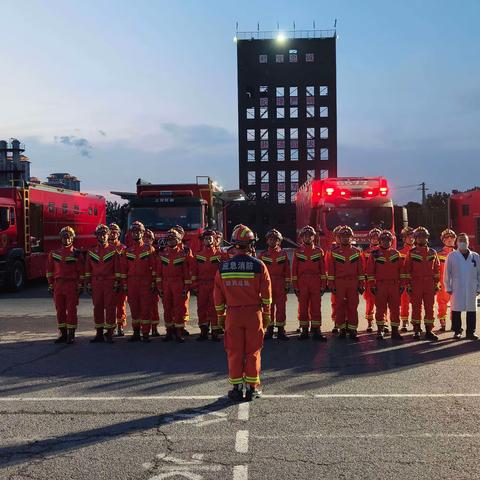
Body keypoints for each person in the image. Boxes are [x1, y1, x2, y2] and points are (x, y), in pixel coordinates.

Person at [214, 224, 271, 401]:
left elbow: (218, 295)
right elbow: (267, 294)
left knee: (234, 350)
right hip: (253, 313)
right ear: (250, 244)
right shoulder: (259, 265)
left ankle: (237, 388)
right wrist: (267, 314)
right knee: (253, 351)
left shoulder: (223, 267)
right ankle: (252, 388)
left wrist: (220, 315)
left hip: (232, 314)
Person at [46, 226, 84, 344]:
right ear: (61, 238)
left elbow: (81, 272)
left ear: (72, 238)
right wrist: (51, 285)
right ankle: (63, 333)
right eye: (64, 237)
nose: (66, 239)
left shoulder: (76, 254)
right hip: (58, 285)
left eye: (68, 237)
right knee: (60, 310)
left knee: (71, 310)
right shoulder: (54, 253)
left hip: (71, 285)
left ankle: (71, 334)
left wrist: (80, 285)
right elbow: (49, 271)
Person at [327, 226, 365, 341]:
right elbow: (331, 271)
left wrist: (361, 284)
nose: (345, 239)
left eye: (347, 237)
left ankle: (353, 330)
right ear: (339, 238)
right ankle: (342, 330)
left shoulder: (357, 252)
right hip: (339, 283)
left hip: (353, 283)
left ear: (351, 237)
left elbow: (360, 270)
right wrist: (332, 285)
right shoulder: (334, 253)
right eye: (342, 237)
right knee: (340, 307)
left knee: (353, 307)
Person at [85, 224, 121, 344]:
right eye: (100, 234)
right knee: (98, 307)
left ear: (108, 235)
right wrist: (88, 284)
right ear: (97, 236)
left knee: (110, 307)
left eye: (105, 234)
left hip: (109, 282)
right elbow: (88, 269)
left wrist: (117, 282)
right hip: (96, 283)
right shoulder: (91, 251)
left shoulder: (113, 250)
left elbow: (117, 269)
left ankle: (110, 333)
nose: (103, 236)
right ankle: (99, 333)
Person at [403, 227, 440, 341]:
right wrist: (408, 285)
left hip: (429, 283)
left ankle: (429, 330)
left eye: (424, 237)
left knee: (430, 308)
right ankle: (416, 330)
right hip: (416, 283)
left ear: (427, 238)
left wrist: (436, 284)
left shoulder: (433, 252)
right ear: (416, 239)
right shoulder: (411, 253)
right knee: (416, 308)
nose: (421, 239)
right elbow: (407, 270)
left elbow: (436, 270)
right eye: (419, 237)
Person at [366, 230, 404, 340]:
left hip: (394, 285)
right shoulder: (374, 254)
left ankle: (395, 331)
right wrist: (372, 285)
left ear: (391, 241)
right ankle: (380, 330)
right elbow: (370, 271)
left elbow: (401, 271)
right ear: (379, 241)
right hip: (380, 285)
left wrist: (402, 285)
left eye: (388, 240)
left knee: (395, 309)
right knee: (380, 309)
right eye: (383, 240)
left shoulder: (396, 253)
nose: (386, 242)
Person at [156, 228, 192, 343]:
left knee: (179, 309)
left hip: (178, 283)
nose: (171, 242)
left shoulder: (183, 254)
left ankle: (179, 333)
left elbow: (186, 274)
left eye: (174, 239)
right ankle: (169, 332)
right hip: (166, 284)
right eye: (169, 240)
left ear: (179, 240)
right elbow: (159, 273)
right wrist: (160, 288)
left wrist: (186, 288)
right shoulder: (162, 254)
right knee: (167, 309)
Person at [122, 221, 156, 342]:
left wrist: (153, 283)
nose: (136, 234)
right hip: (132, 283)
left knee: (145, 308)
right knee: (134, 308)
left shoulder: (149, 249)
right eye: (134, 232)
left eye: (139, 232)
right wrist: (125, 284)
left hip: (145, 282)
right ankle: (136, 332)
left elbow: (154, 268)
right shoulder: (128, 250)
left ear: (142, 233)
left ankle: (145, 333)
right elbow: (124, 269)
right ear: (131, 234)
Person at [292, 225, 327, 341]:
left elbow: (323, 270)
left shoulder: (318, 251)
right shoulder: (297, 252)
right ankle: (304, 330)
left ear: (313, 237)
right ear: (302, 238)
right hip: (302, 283)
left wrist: (323, 285)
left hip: (316, 282)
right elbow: (294, 272)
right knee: (303, 307)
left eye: (310, 236)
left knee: (316, 306)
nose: (307, 238)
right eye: (305, 236)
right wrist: (296, 287)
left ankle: (316, 329)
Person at [191, 229, 227, 342]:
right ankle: (204, 331)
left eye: (209, 238)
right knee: (201, 309)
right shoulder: (198, 255)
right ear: (203, 241)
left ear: (214, 239)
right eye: (205, 239)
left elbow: (225, 272)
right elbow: (194, 272)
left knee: (215, 309)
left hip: (215, 286)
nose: (207, 240)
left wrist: (223, 287)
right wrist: (195, 286)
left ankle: (215, 332)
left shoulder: (221, 254)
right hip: (202, 285)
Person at [444, 233, 480, 340]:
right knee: (456, 310)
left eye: (464, 240)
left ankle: (471, 332)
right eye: (460, 240)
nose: (463, 242)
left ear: (468, 242)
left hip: (471, 286)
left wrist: (479, 288)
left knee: (471, 310)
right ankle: (457, 331)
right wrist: (448, 287)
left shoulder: (475, 256)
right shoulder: (451, 256)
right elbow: (447, 273)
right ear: (457, 242)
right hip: (456, 287)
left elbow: (479, 273)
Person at [258, 229, 290, 341]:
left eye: (275, 239)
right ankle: (269, 330)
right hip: (267, 284)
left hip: (280, 283)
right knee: (268, 308)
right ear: (267, 241)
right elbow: (259, 273)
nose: (272, 241)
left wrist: (287, 284)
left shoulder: (283, 254)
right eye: (270, 239)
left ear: (279, 241)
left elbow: (287, 271)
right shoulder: (262, 255)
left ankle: (281, 330)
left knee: (281, 308)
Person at [108, 223, 128, 336]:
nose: (112, 233)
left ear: (119, 234)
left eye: (115, 231)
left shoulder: (123, 248)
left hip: (121, 281)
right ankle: (110, 327)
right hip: (108, 281)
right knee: (109, 305)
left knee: (121, 305)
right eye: (110, 231)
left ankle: (120, 326)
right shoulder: (104, 248)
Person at [436, 229, 456, 331]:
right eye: (447, 238)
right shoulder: (438, 254)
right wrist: (436, 283)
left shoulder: (458, 254)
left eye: (452, 237)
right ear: (443, 240)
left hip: (455, 284)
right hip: (443, 284)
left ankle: (455, 324)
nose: (449, 239)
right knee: (442, 304)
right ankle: (442, 323)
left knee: (455, 304)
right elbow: (435, 270)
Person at [362, 228, 382, 332]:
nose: (375, 240)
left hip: (382, 281)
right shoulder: (366, 252)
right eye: (373, 238)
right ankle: (370, 322)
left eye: (377, 238)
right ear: (370, 239)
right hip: (370, 281)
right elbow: (363, 267)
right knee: (370, 302)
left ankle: (384, 322)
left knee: (383, 302)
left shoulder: (384, 251)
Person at [144, 229, 161, 337]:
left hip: (151, 282)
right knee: (143, 307)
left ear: (152, 240)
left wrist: (155, 282)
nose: (146, 240)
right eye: (145, 238)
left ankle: (154, 328)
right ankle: (143, 330)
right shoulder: (137, 250)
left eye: (149, 238)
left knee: (153, 306)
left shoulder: (153, 251)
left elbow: (156, 267)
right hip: (140, 282)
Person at [327, 225, 343, 333]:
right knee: (335, 303)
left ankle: (346, 322)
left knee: (348, 304)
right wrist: (330, 282)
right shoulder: (331, 250)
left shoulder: (352, 249)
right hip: (336, 280)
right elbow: (327, 266)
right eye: (338, 236)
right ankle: (336, 323)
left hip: (348, 281)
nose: (340, 238)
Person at [398, 227, 415, 331]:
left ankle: (415, 322)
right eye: (409, 237)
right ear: (404, 239)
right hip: (404, 282)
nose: (411, 239)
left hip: (416, 281)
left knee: (417, 303)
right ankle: (404, 321)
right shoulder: (399, 252)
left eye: (413, 236)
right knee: (404, 302)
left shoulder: (418, 251)